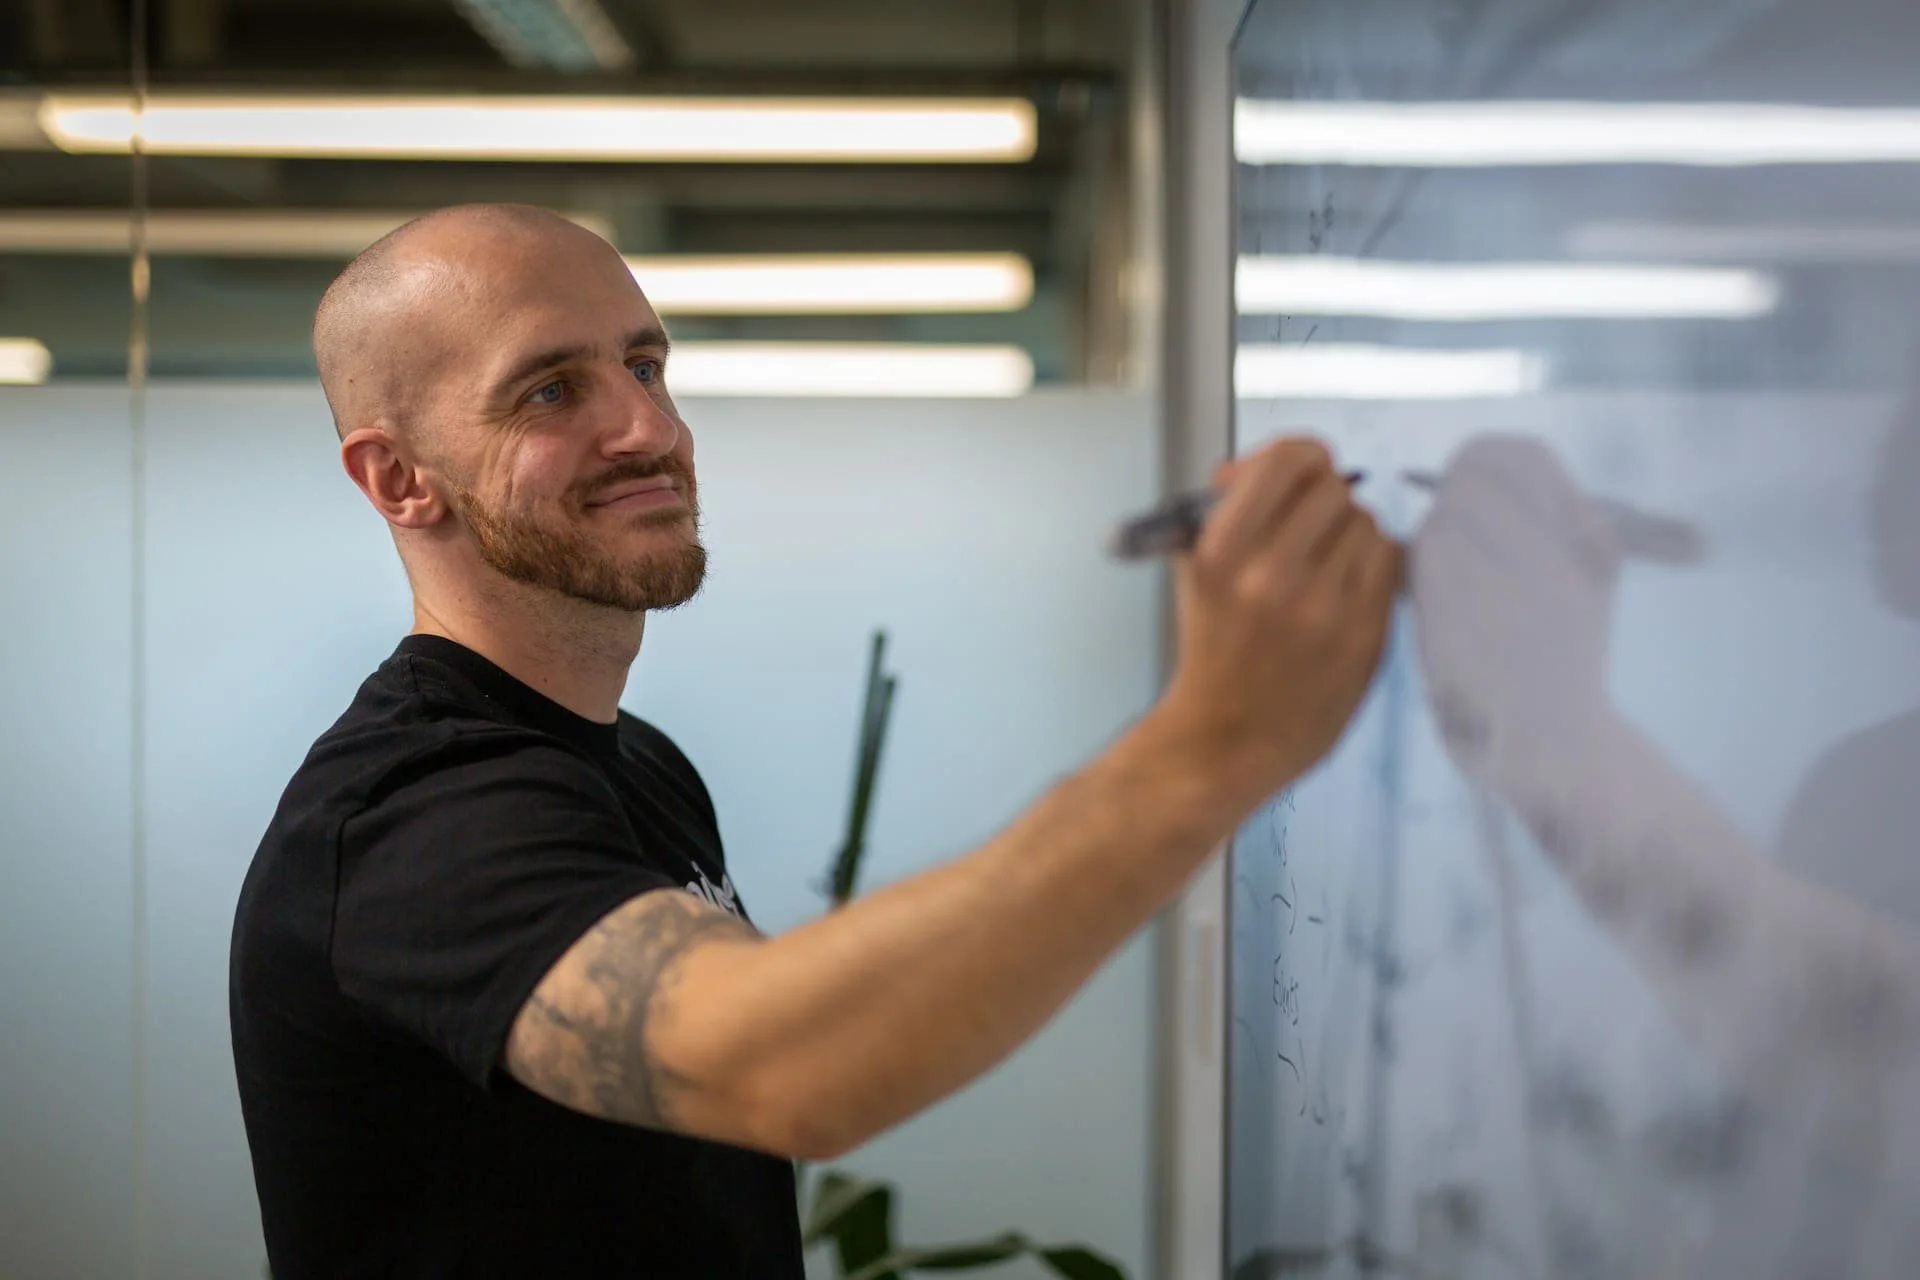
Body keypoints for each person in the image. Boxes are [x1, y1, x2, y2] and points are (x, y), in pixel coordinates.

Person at [227, 202, 1402, 1279]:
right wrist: (1212, 744)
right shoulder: (412, 818)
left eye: (645, 364)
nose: (649, 427)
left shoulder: (640, 763)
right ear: (399, 477)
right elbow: (784, 1067)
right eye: (548, 391)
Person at [1410, 433, 1920, 1277]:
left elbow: (1873, 1054)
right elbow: (1792, 1097)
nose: (1878, 480)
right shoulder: (1856, 785)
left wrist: (1555, 740)